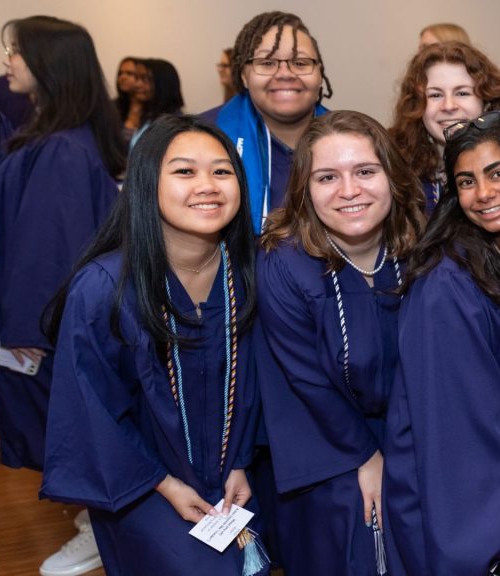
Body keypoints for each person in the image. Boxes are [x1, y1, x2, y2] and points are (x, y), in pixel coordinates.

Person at [40, 114, 266, 575]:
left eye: (222, 171)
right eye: (185, 171)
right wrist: (162, 484)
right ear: (147, 184)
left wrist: (241, 462)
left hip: (238, 470)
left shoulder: (253, 274)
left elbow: (264, 384)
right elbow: (93, 410)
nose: (207, 184)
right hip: (140, 479)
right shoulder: (105, 287)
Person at [382, 110, 500, 576]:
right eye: (466, 181)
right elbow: (461, 440)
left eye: (498, 172)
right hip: (472, 524)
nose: (484, 194)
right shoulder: (449, 284)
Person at [256, 110, 425, 574]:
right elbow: (307, 380)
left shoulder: (419, 249)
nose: (349, 191)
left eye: (366, 171)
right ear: (305, 192)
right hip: (323, 435)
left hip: (410, 428)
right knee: (355, 530)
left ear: (392, 177)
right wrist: (366, 457)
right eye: (327, 177)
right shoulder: (285, 264)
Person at [0, 16, 125, 576]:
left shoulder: (64, 151)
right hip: (44, 321)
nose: (7, 63)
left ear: (47, 63)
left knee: (72, 432)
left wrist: (25, 332)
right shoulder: (60, 138)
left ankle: (102, 527)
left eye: (15, 53)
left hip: (43, 328)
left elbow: (49, 251)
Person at [204, 11, 332, 233]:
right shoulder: (202, 136)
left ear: (320, 74)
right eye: (267, 62)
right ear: (244, 75)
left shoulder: (353, 142)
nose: (285, 74)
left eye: (300, 62)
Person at [389, 41, 500, 213]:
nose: (448, 106)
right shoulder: (398, 178)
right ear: (416, 106)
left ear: (486, 101)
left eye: (462, 93)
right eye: (435, 95)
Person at [129, 58, 185, 150]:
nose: (137, 84)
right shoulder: (147, 116)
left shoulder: (174, 125)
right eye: (137, 78)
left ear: (162, 84)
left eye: (145, 79)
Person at [114, 56, 142, 146]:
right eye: (120, 73)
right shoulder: (112, 107)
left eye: (129, 73)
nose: (123, 77)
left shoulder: (152, 108)